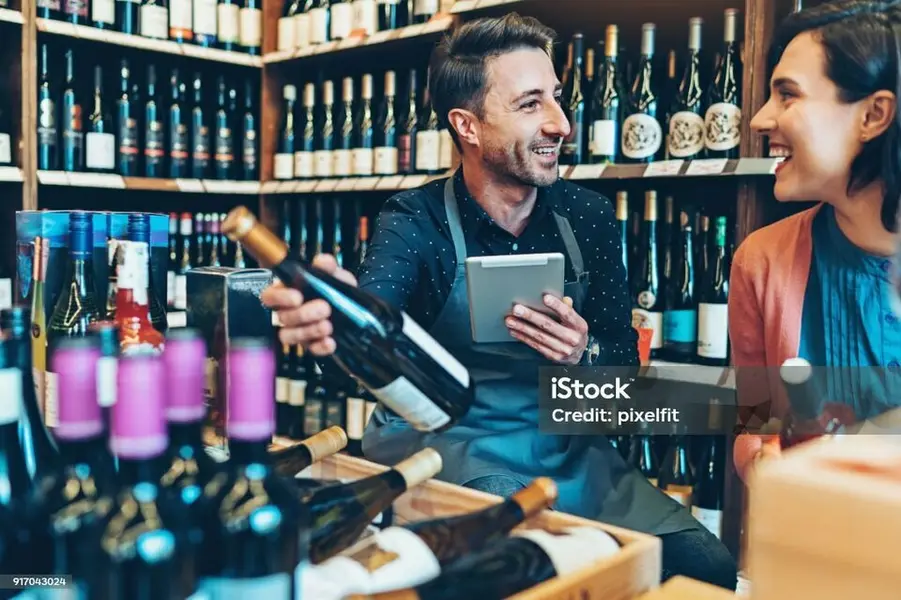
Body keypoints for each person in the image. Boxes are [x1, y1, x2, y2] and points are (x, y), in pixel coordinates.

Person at [263, 13, 737, 589]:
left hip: (571, 451)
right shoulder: (414, 223)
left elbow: (621, 365)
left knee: (709, 566)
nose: (561, 123)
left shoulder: (587, 218)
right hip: (452, 449)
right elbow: (368, 320)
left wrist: (584, 354)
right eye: (531, 104)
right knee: (524, 555)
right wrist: (329, 326)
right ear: (468, 124)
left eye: (556, 99)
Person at [730, 0, 901, 480]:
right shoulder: (759, 261)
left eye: (787, 95)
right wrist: (761, 456)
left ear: (873, 114)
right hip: (813, 543)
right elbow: (754, 419)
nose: (760, 120)